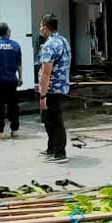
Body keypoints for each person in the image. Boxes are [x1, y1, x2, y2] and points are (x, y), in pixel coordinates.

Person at [37, 14, 72, 163]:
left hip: (52, 89)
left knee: (54, 120)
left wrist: (42, 95)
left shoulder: (49, 45)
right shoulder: (63, 41)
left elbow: (46, 73)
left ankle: (60, 153)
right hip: (62, 86)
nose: (39, 29)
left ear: (45, 27)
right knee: (48, 119)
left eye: (40, 26)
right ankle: (51, 147)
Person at [0, 22, 22, 138]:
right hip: (12, 81)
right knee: (13, 106)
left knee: (0, 106)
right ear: (7, 32)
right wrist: (20, 77)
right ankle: (15, 130)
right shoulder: (16, 45)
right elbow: (19, 63)